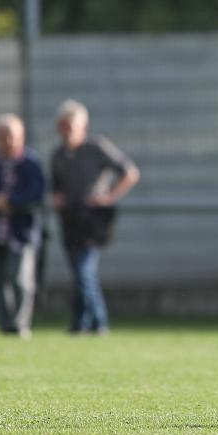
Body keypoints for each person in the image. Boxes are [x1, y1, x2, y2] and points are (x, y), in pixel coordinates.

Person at [51, 100, 140, 335]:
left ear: (83, 126)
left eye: (70, 125)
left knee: (84, 271)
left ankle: (98, 322)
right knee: (80, 274)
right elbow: (55, 187)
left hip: (94, 219)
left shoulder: (97, 147)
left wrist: (109, 196)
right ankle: (80, 323)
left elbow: (130, 172)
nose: (66, 131)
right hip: (69, 219)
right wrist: (57, 198)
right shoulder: (58, 154)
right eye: (62, 125)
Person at [0, 115, 45, 338]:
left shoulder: (30, 163)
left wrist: (11, 201)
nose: (7, 141)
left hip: (22, 232)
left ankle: (20, 323)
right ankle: (5, 323)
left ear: (20, 137)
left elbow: (37, 194)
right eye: (2, 136)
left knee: (19, 279)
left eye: (11, 136)